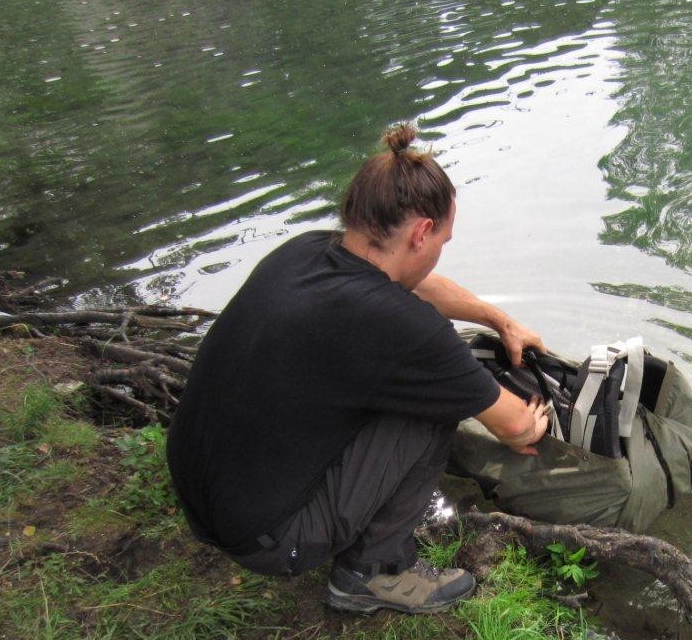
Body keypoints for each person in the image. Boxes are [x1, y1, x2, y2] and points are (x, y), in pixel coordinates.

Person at [166, 124, 550, 614]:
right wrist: (530, 423)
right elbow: (514, 424)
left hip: (203, 496)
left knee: (405, 386)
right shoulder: (402, 327)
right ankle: (370, 574)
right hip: (267, 540)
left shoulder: (305, 251)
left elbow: (423, 286)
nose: (438, 255)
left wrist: (500, 320)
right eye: (443, 242)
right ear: (421, 233)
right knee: (436, 407)